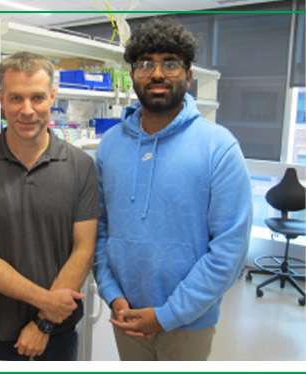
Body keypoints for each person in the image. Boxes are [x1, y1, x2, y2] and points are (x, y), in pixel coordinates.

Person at [93, 17, 252, 361]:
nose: (157, 74)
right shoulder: (110, 146)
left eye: (171, 63)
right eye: (145, 63)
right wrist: (113, 295)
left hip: (189, 322)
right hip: (127, 316)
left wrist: (167, 315)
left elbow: (230, 249)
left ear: (188, 75)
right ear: (133, 74)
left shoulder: (218, 147)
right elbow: (100, 230)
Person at [0, 51, 100, 361]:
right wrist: (47, 302)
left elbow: (83, 249)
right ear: (1, 99)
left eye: (37, 97)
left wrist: (43, 324)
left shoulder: (81, 166)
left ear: (52, 97)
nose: (27, 110)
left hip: (58, 333)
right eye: (16, 98)